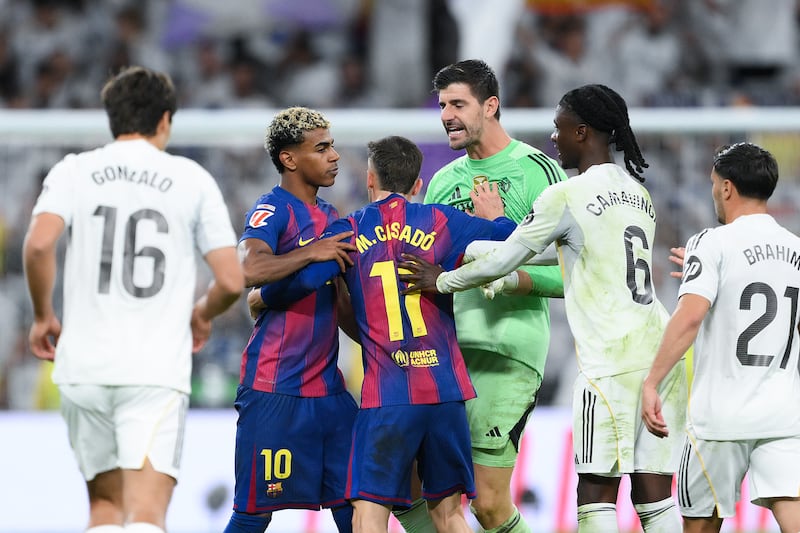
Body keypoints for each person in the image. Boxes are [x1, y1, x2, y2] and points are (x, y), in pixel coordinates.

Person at [399, 83, 688, 533]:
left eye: (559, 129)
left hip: (607, 360)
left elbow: (505, 254)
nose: (553, 139)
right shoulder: (639, 195)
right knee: (654, 497)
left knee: (595, 493)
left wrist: (444, 276)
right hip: (656, 354)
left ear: (583, 131)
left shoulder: (565, 194)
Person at [249, 135, 518, 533]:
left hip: (388, 395)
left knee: (368, 511)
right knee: (449, 513)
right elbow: (508, 241)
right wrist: (497, 216)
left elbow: (303, 282)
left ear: (370, 179)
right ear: (418, 185)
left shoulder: (349, 231)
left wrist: (263, 297)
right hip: (446, 391)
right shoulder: (441, 220)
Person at [22, 65, 244, 533]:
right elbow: (229, 280)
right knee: (146, 515)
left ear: (111, 119)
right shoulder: (190, 178)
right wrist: (201, 315)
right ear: (165, 120)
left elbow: (39, 244)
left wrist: (44, 315)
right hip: (153, 370)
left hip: (84, 367)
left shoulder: (75, 170)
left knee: (104, 512)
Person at [397, 58, 566, 533]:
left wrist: (502, 262)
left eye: (458, 104)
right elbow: (432, 270)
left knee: (489, 504)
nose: (447, 115)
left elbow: (574, 274)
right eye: (442, 105)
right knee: (409, 488)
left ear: (491, 106)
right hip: (446, 355)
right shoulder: (445, 181)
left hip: (507, 353)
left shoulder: (539, 171)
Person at [642, 142, 800, 533]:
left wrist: (651, 381)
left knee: (699, 526)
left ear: (726, 188)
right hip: (783, 414)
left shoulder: (712, 242)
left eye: (714, 184)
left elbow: (690, 317)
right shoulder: (797, 249)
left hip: (719, 419)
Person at [223, 106, 359, 533]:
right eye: (321, 148)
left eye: (332, 146)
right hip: (274, 389)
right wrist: (310, 253)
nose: (334, 156)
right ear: (289, 158)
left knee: (357, 507)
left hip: (329, 392)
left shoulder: (332, 218)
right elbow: (246, 269)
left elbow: (339, 305)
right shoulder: (271, 208)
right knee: (254, 515)